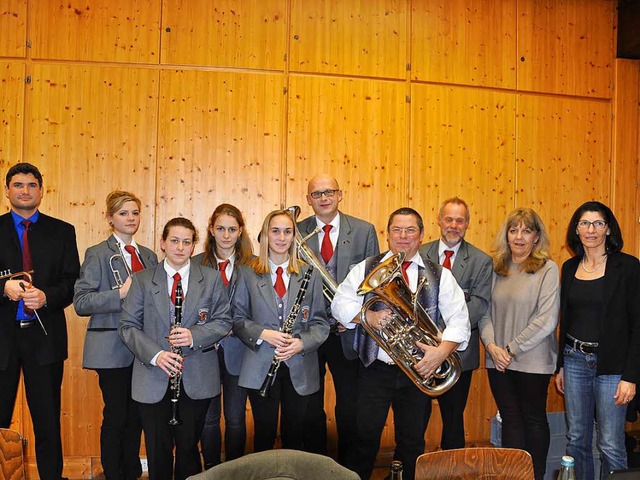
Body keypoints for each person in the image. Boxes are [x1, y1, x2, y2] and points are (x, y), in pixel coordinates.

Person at [331, 207, 470, 480]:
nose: (403, 236)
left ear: (421, 235)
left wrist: (441, 352)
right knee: (364, 437)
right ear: (387, 234)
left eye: (410, 231)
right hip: (375, 370)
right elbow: (339, 303)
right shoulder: (366, 267)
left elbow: (460, 319)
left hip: (419, 369)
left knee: (412, 441)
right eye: (397, 230)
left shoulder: (439, 274)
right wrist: (366, 316)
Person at [119, 217, 232, 480]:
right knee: (158, 452)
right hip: (153, 377)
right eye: (174, 241)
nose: (180, 247)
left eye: (186, 242)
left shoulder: (212, 279)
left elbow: (224, 321)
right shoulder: (142, 280)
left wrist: (194, 335)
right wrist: (156, 355)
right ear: (162, 243)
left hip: (197, 378)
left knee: (189, 449)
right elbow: (127, 326)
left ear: (194, 246)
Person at [0, 162, 80, 480]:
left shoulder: (62, 231)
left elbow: (73, 282)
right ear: (7, 191)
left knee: (47, 420)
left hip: (44, 338)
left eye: (32, 185)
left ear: (41, 191)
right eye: (18, 185)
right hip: (3, 340)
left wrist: (47, 297)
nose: (25, 190)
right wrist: (2, 287)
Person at [74, 190, 158, 480]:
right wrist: (119, 294)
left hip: (142, 347)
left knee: (137, 416)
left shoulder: (148, 256)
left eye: (135, 212)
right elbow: (81, 302)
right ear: (110, 218)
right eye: (123, 213)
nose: (130, 218)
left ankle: (132, 471)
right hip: (110, 347)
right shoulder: (97, 253)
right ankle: (113, 473)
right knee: (116, 416)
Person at [232, 209, 329, 452]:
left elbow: (320, 324)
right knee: (263, 435)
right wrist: (263, 334)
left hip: (299, 363)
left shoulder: (310, 273)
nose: (281, 237)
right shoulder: (247, 272)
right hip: (261, 364)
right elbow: (237, 318)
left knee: (294, 435)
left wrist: (301, 342)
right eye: (275, 231)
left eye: (288, 232)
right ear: (265, 235)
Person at [297, 174, 380, 462]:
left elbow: (374, 281)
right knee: (310, 405)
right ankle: (314, 465)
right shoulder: (295, 231)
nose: (323, 197)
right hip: (309, 331)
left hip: (348, 332)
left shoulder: (363, 230)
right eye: (316, 193)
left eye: (329, 191)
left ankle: (348, 468)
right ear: (308, 200)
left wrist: (355, 316)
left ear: (340, 194)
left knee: (349, 405)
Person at [555, 202, 640, 480]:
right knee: (576, 439)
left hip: (613, 367)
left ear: (608, 228)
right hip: (575, 360)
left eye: (598, 223)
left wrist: (631, 377)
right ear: (576, 230)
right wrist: (562, 366)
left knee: (610, 443)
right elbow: (565, 320)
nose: (591, 230)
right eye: (584, 223)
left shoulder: (627, 266)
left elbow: (638, 324)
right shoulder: (568, 268)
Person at [479, 208, 559, 480]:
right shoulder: (496, 267)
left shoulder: (548, 268)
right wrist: (492, 347)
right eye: (514, 230)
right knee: (510, 419)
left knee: (534, 419)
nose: (519, 236)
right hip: (497, 360)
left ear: (537, 237)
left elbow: (547, 320)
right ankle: (516, 476)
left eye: (527, 230)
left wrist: (511, 349)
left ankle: (535, 475)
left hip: (532, 360)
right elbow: (485, 312)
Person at [419, 197, 492, 450]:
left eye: (459, 220)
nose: (453, 225)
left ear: (467, 224)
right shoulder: (419, 253)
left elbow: (480, 303)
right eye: (448, 219)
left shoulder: (481, 261)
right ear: (439, 221)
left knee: (453, 419)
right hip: (418, 350)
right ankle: (410, 468)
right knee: (414, 418)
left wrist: (446, 336)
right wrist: (429, 335)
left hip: (459, 355)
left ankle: (453, 470)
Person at [194, 204, 254, 467]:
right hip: (204, 352)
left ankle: (234, 471)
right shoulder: (195, 264)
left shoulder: (253, 266)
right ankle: (211, 471)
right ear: (211, 230)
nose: (226, 235)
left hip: (238, 350)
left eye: (232, 229)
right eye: (221, 229)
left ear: (240, 231)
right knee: (208, 418)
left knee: (235, 417)